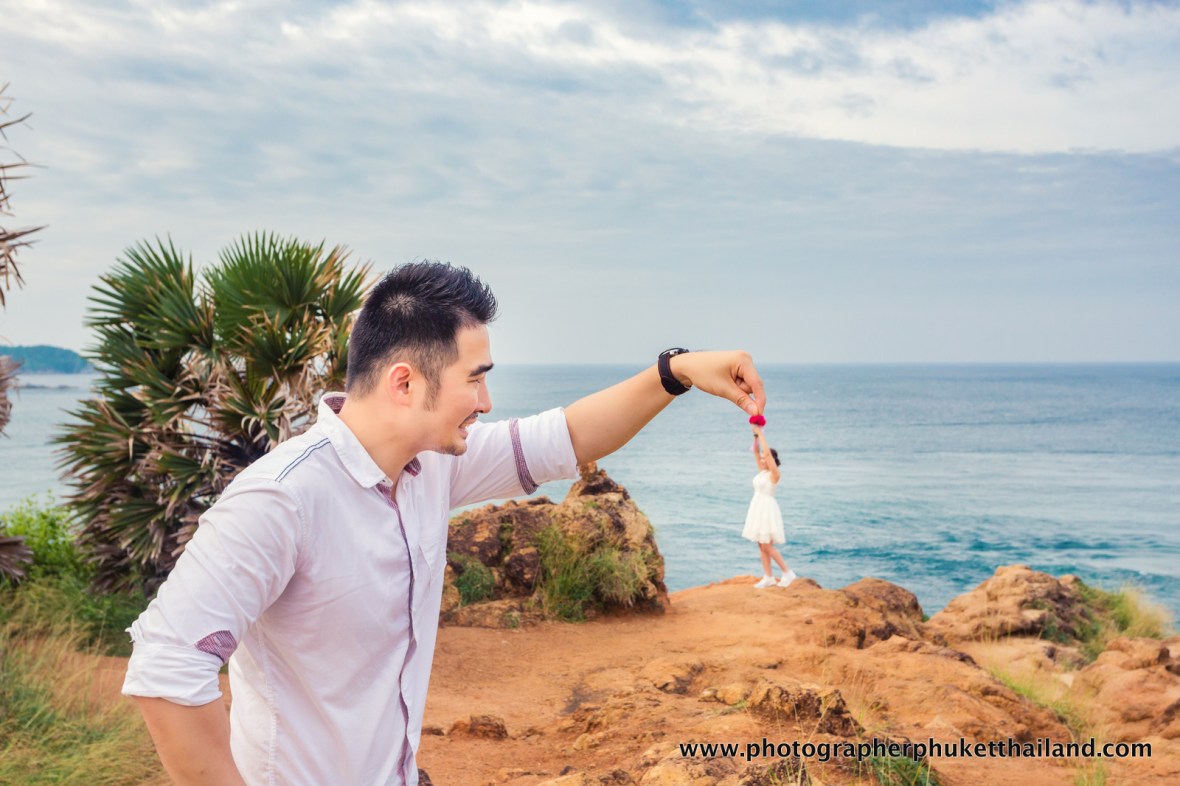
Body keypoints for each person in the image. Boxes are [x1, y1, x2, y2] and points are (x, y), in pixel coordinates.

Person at [122, 261, 767, 786]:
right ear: (405, 383)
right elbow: (167, 664)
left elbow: (565, 436)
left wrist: (676, 370)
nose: (486, 403)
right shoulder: (281, 498)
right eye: (475, 380)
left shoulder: (429, 467)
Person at [742, 423, 796, 588]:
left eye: (766, 459)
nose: (763, 460)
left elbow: (766, 453)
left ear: (772, 460)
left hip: (766, 509)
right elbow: (756, 452)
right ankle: (768, 577)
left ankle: (788, 572)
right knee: (761, 544)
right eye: (763, 459)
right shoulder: (762, 471)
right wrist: (756, 436)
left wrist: (762, 434)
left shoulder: (775, 474)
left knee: (767, 545)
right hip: (757, 507)